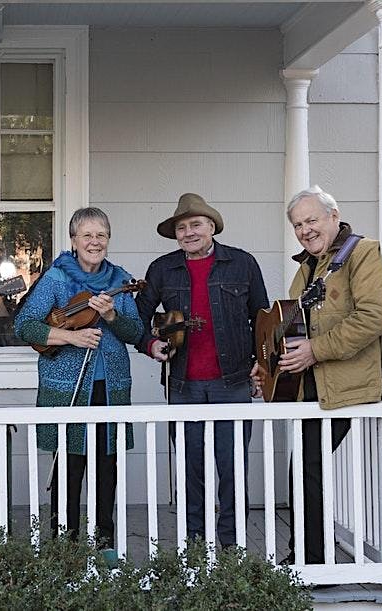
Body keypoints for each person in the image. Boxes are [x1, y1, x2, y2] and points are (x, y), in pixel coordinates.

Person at [135, 193, 269, 549]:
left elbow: (263, 319)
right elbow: (137, 316)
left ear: (211, 226)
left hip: (234, 381)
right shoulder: (162, 269)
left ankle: (231, 544)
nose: (188, 233)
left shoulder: (242, 263)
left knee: (232, 467)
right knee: (190, 468)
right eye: (181, 227)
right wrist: (151, 343)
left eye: (195, 224)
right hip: (183, 385)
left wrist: (263, 364)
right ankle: (193, 542)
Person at [14, 207, 143, 560]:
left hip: (110, 387)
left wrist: (112, 315)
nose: (94, 241)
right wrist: (70, 338)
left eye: (101, 234)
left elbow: (136, 332)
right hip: (66, 388)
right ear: (73, 240)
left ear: (108, 239)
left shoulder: (121, 280)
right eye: (86, 235)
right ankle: (63, 547)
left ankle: (105, 546)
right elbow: (24, 325)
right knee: (69, 467)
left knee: (107, 467)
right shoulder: (55, 279)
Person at [278, 185, 382, 564]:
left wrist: (315, 351)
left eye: (311, 220)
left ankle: (309, 561)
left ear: (333, 216)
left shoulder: (361, 252)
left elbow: (373, 317)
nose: (305, 230)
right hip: (309, 389)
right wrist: (268, 365)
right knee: (306, 472)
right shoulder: (306, 268)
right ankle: (308, 557)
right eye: (297, 224)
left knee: (308, 469)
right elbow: (292, 329)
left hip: (344, 387)